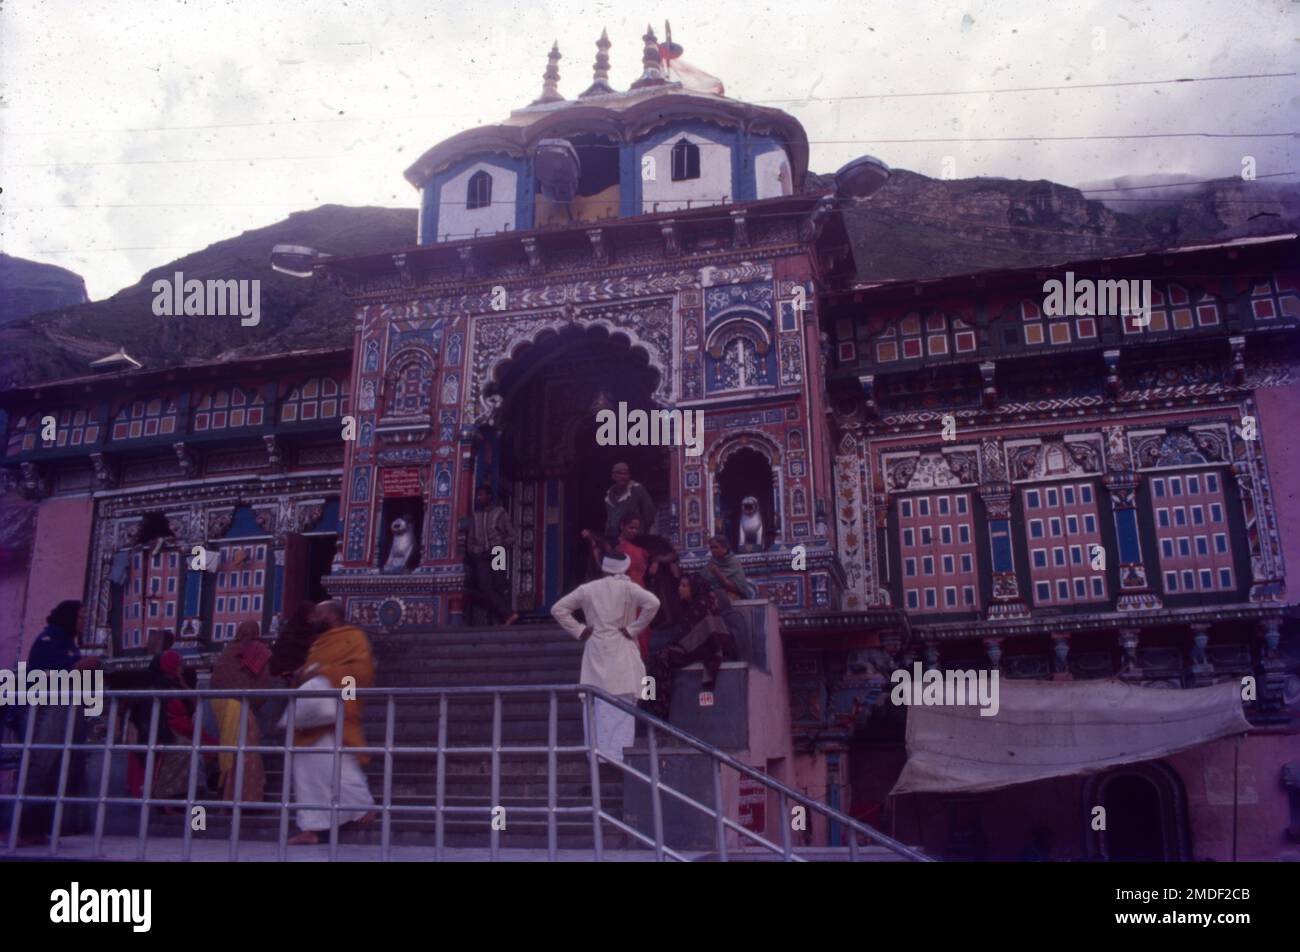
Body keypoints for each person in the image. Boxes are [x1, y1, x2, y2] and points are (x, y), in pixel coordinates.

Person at [550, 552, 660, 765]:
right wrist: (633, 629)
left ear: (604, 569)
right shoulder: (628, 588)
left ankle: (597, 756)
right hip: (621, 646)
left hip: (596, 649)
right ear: (625, 569)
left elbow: (558, 609)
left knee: (596, 703)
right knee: (622, 705)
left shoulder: (588, 589)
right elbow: (653, 603)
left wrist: (580, 630)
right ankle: (618, 758)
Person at [287, 600, 376, 846]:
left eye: (319, 613)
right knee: (305, 770)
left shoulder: (353, 637)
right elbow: (311, 671)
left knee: (339, 765)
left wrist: (324, 674)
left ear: (332, 615)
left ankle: (362, 807)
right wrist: (302, 675)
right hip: (310, 716)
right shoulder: (318, 643)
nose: (313, 618)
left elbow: (363, 672)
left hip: (336, 711)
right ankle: (312, 828)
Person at [16, 600, 98, 846]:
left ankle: (43, 827)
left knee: (59, 770)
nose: (83, 622)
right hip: (49, 710)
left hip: (69, 712)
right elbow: (44, 675)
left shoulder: (69, 644)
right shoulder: (47, 641)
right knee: (41, 765)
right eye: (81, 617)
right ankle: (23, 827)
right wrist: (77, 667)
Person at [645, 574, 738, 719]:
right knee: (652, 659)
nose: (679, 589)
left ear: (693, 588)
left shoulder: (702, 605)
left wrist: (683, 645)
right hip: (689, 648)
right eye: (679, 585)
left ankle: (658, 708)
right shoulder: (687, 606)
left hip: (700, 649)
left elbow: (710, 636)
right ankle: (648, 700)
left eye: (684, 586)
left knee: (660, 658)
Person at [210, 620, 272, 807]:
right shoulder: (259, 650)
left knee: (228, 748)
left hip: (219, 705)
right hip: (241, 707)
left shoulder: (226, 651)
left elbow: (216, 681)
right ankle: (246, 798)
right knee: (246, 752)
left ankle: (225, 796)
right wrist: (253, 704)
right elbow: (263, 684)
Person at [464, 483, 519, 626]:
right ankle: (509, 614)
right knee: (485, 586)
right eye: (478, 495)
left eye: (482, 495)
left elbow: (512, 536)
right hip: (481, 555)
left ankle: (503, 619)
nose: (479, 498)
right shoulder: (475, 516)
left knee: (500, 585)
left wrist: (501, 545)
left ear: (489, 496)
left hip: (498, 552)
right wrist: (473, 551)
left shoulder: (500, 513)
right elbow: (470, 538)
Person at [603, 462, 656, 544]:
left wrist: (638, 532)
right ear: (613, 476)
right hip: (614, 540)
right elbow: (609, 519)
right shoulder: (610, 494)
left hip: (633, 539)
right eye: (620, 474)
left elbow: (649, 514)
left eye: (626, 474)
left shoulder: (637, 490)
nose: (623, 477)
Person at [269, 601, 323, 678]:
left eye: (314, 614)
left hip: (306, 672)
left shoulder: (312, 629)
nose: (312, 617)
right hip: (285, 672)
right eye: (310, 614)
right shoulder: (290, 630)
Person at [705, 534, 757, 600]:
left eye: (716, 547)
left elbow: (736, 589)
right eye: (711, 548)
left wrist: (717, 572)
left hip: (735, 599)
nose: (713, 550)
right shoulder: (711, 562)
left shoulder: (733, 562)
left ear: (724, 549)